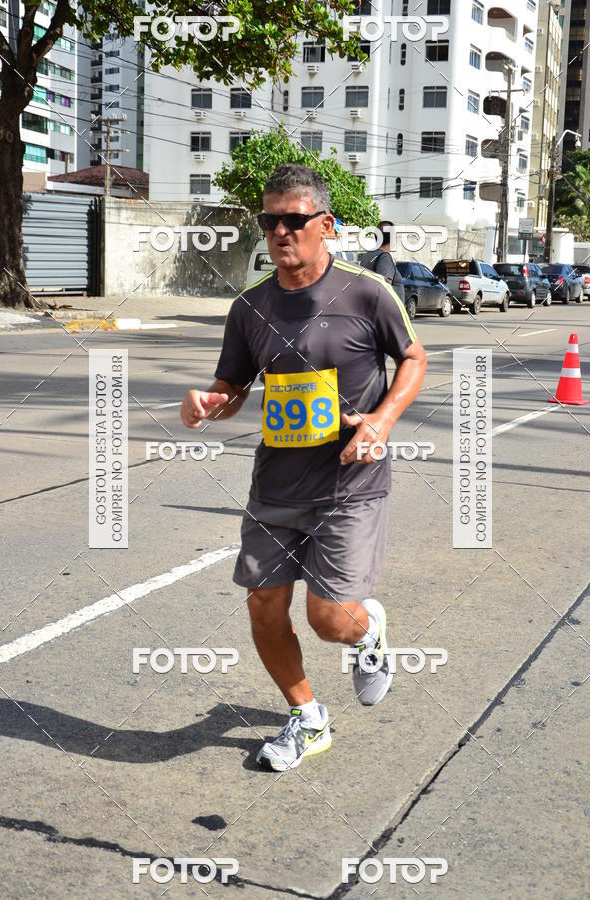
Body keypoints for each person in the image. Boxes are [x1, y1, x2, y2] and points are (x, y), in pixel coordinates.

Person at [181, 164, 427, 772]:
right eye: (271, 221)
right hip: (276, 486)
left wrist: (382, 419)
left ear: (327, 226)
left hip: (350, 484)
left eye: (295, 220)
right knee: (264, 605)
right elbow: (233, 384)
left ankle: (366, 631)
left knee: (328, 622)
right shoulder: (250, 308)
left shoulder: (367, 293)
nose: (281, 232)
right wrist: (208, 403)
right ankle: (307, 717)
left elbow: (414, 357)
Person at [360, 220, 405, 303]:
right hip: (387, 313)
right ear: (391, 238)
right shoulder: (385, 258)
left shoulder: (367, 255)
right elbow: (385, 289)